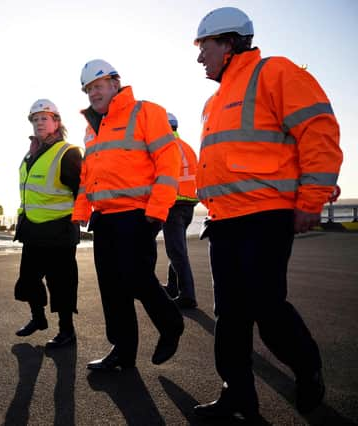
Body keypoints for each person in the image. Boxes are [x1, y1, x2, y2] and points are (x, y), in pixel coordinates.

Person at [192, 7, 343, 420]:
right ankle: (237, 392)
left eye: (204, 46)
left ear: (227, 42)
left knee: (266, 308)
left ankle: (307, 367)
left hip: (266, 215)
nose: (199, 56)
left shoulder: (275, 73)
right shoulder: (214, 100)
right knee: (230, 315)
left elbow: (319, 131)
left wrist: (311, 198)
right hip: (223, 221)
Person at [73, 59, 185, 370]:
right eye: (88, 89)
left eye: (97, 86)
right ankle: (122, 351)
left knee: (137, 279)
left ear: (114, 83)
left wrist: (159, 208)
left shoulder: (146, 112)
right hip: (105, 218)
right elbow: (87, 174)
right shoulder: (93, 127)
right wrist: (81, 210)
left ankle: (170, 323)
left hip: (138, 215)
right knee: (111, 288)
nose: (93, 93)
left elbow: (168, 160)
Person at [13, 99, 83, 348]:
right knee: (28, 280)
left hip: (59, 229)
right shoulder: (30, 154)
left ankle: (67, 332)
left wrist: (80, 218)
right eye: (35, 119)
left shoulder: (67, 151)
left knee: (61, 284)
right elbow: (28, 191)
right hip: (33, 228)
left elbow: (81, 189)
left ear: (56, 122)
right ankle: (38, 318)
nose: (39, 123)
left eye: (45, 118)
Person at [160, 112, 199, 309]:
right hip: (189, 204)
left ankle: (187, 295)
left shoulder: (167, 148)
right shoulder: (188, 148)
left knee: (176, 251)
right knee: (178, 248)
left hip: (173, 205)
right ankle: (173, 287)